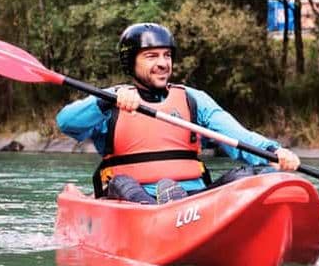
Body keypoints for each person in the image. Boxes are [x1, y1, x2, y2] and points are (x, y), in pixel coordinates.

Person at [56, 22, 300, 204]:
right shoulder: (111, 100)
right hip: (133, 202)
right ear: (131, 63)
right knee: (121, 182)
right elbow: (66, 123)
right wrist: (105, 102)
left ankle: (175, 204)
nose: (163, 63)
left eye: (167, 55)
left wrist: (273, 152)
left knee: (257, 176)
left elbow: (236, 136)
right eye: (152, 56)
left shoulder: (193, 99)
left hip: (194, 201)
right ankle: (159, 210)